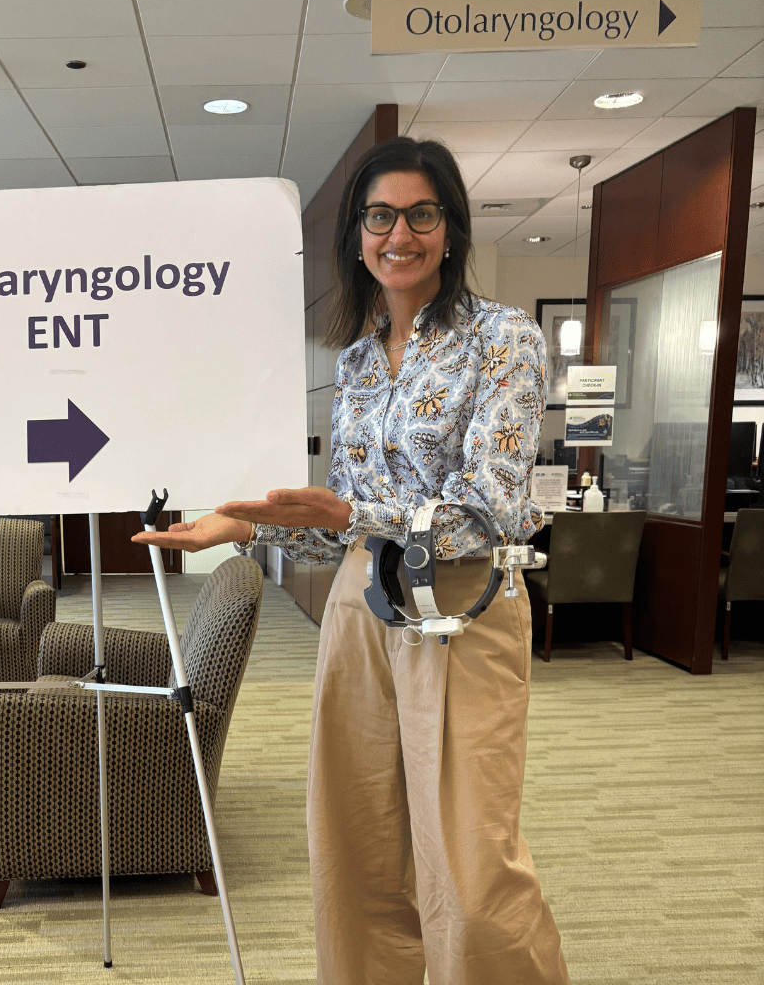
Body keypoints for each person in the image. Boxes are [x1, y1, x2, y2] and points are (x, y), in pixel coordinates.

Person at [133, 137, 569, 984]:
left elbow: (488, 507)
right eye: (380, 216)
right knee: (355, 842)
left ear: (450, 227)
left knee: (470, 864)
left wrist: (352, 513)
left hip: (463, 607)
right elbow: (340, 527)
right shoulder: (359, 362)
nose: (398, 234)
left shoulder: (504, 337)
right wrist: (241, 527)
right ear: (358, 234)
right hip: (361, 600)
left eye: (420, 214)